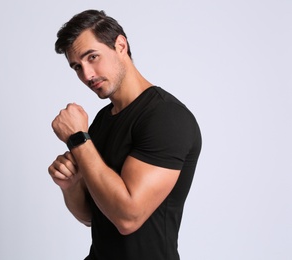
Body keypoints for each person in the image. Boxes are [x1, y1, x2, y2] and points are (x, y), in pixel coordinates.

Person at [48, 9, 202, 260]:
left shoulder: (166, 117)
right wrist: (71, 186)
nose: (87, 75)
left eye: (93, 57)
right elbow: (92, 216)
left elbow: (127, 217)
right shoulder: (101, 121)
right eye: (77, 66)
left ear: (120, 45)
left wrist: (78, 138)